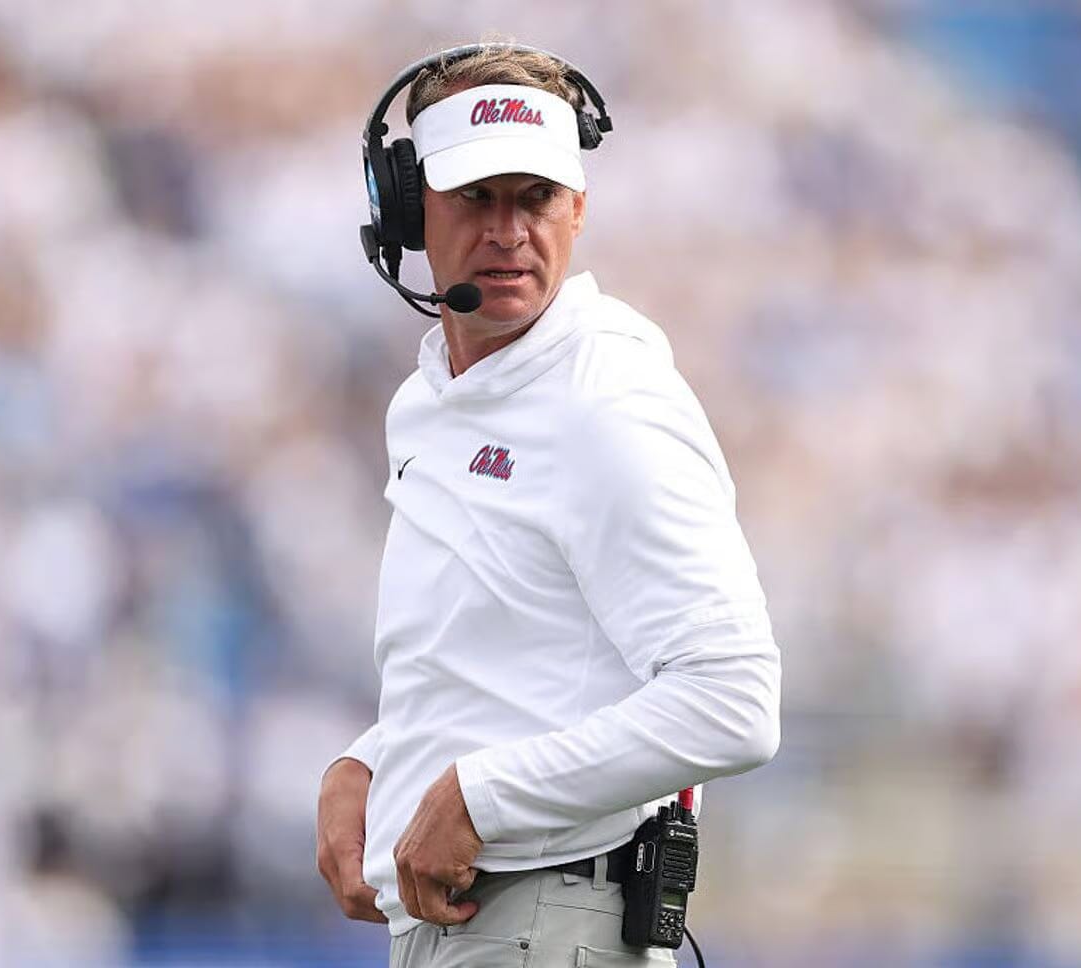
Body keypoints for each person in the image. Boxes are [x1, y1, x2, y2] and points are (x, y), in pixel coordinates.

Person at [315, 44, 782, 968]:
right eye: (475, 197)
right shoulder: (435, 400)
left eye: (535, 197)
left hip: (548, 923)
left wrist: (480, 798)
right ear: (407, 209)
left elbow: (732, 697)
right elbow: (513, 659)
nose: (509, 231)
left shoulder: (608, 400)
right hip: (482, 930)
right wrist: (370, 762)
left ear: (578, 207)